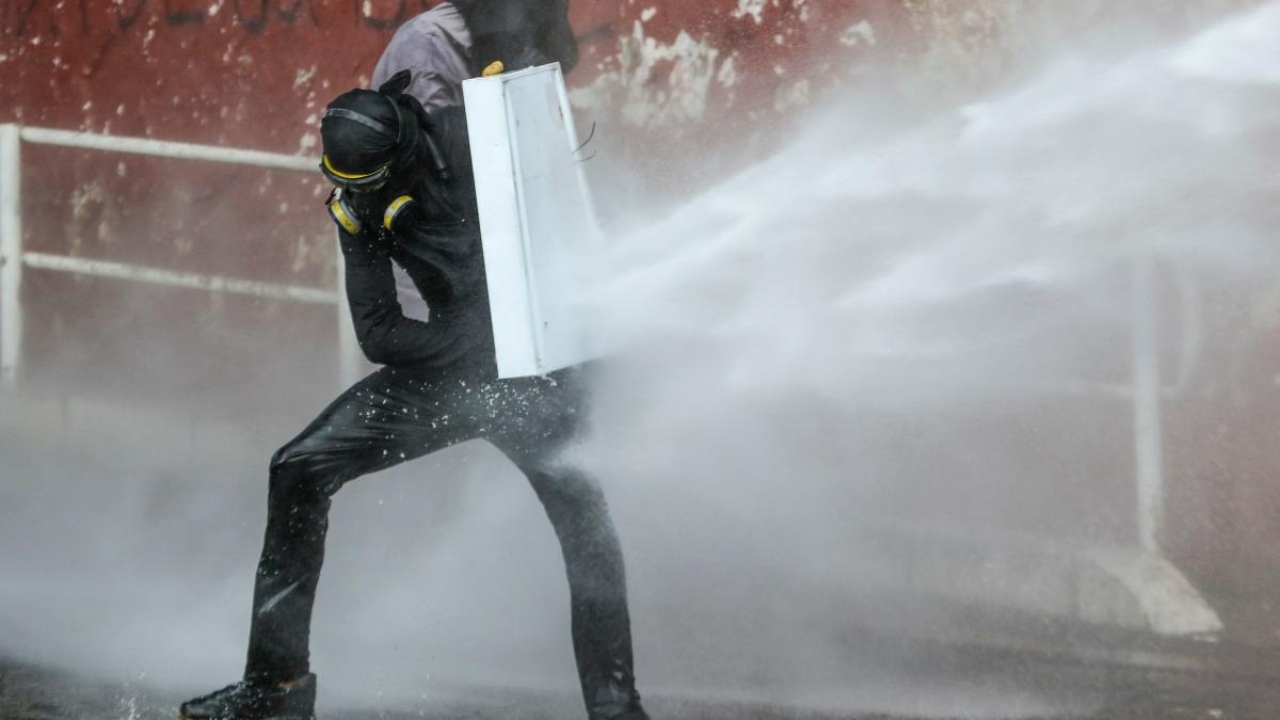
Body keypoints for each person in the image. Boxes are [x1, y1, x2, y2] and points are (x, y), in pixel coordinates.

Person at [177, 5, 650, 720]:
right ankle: (275, 691)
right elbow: (379, 332)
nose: (360, 203)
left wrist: (567, 346)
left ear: (407, 147)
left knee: (585, 520)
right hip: (457, 373)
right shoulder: (359, 204)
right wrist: (472, 355)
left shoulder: (481, 148)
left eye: (369, 188)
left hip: (539, 367)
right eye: (349, 187)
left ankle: (616, 707)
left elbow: (562, 218)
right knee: (297, 469)